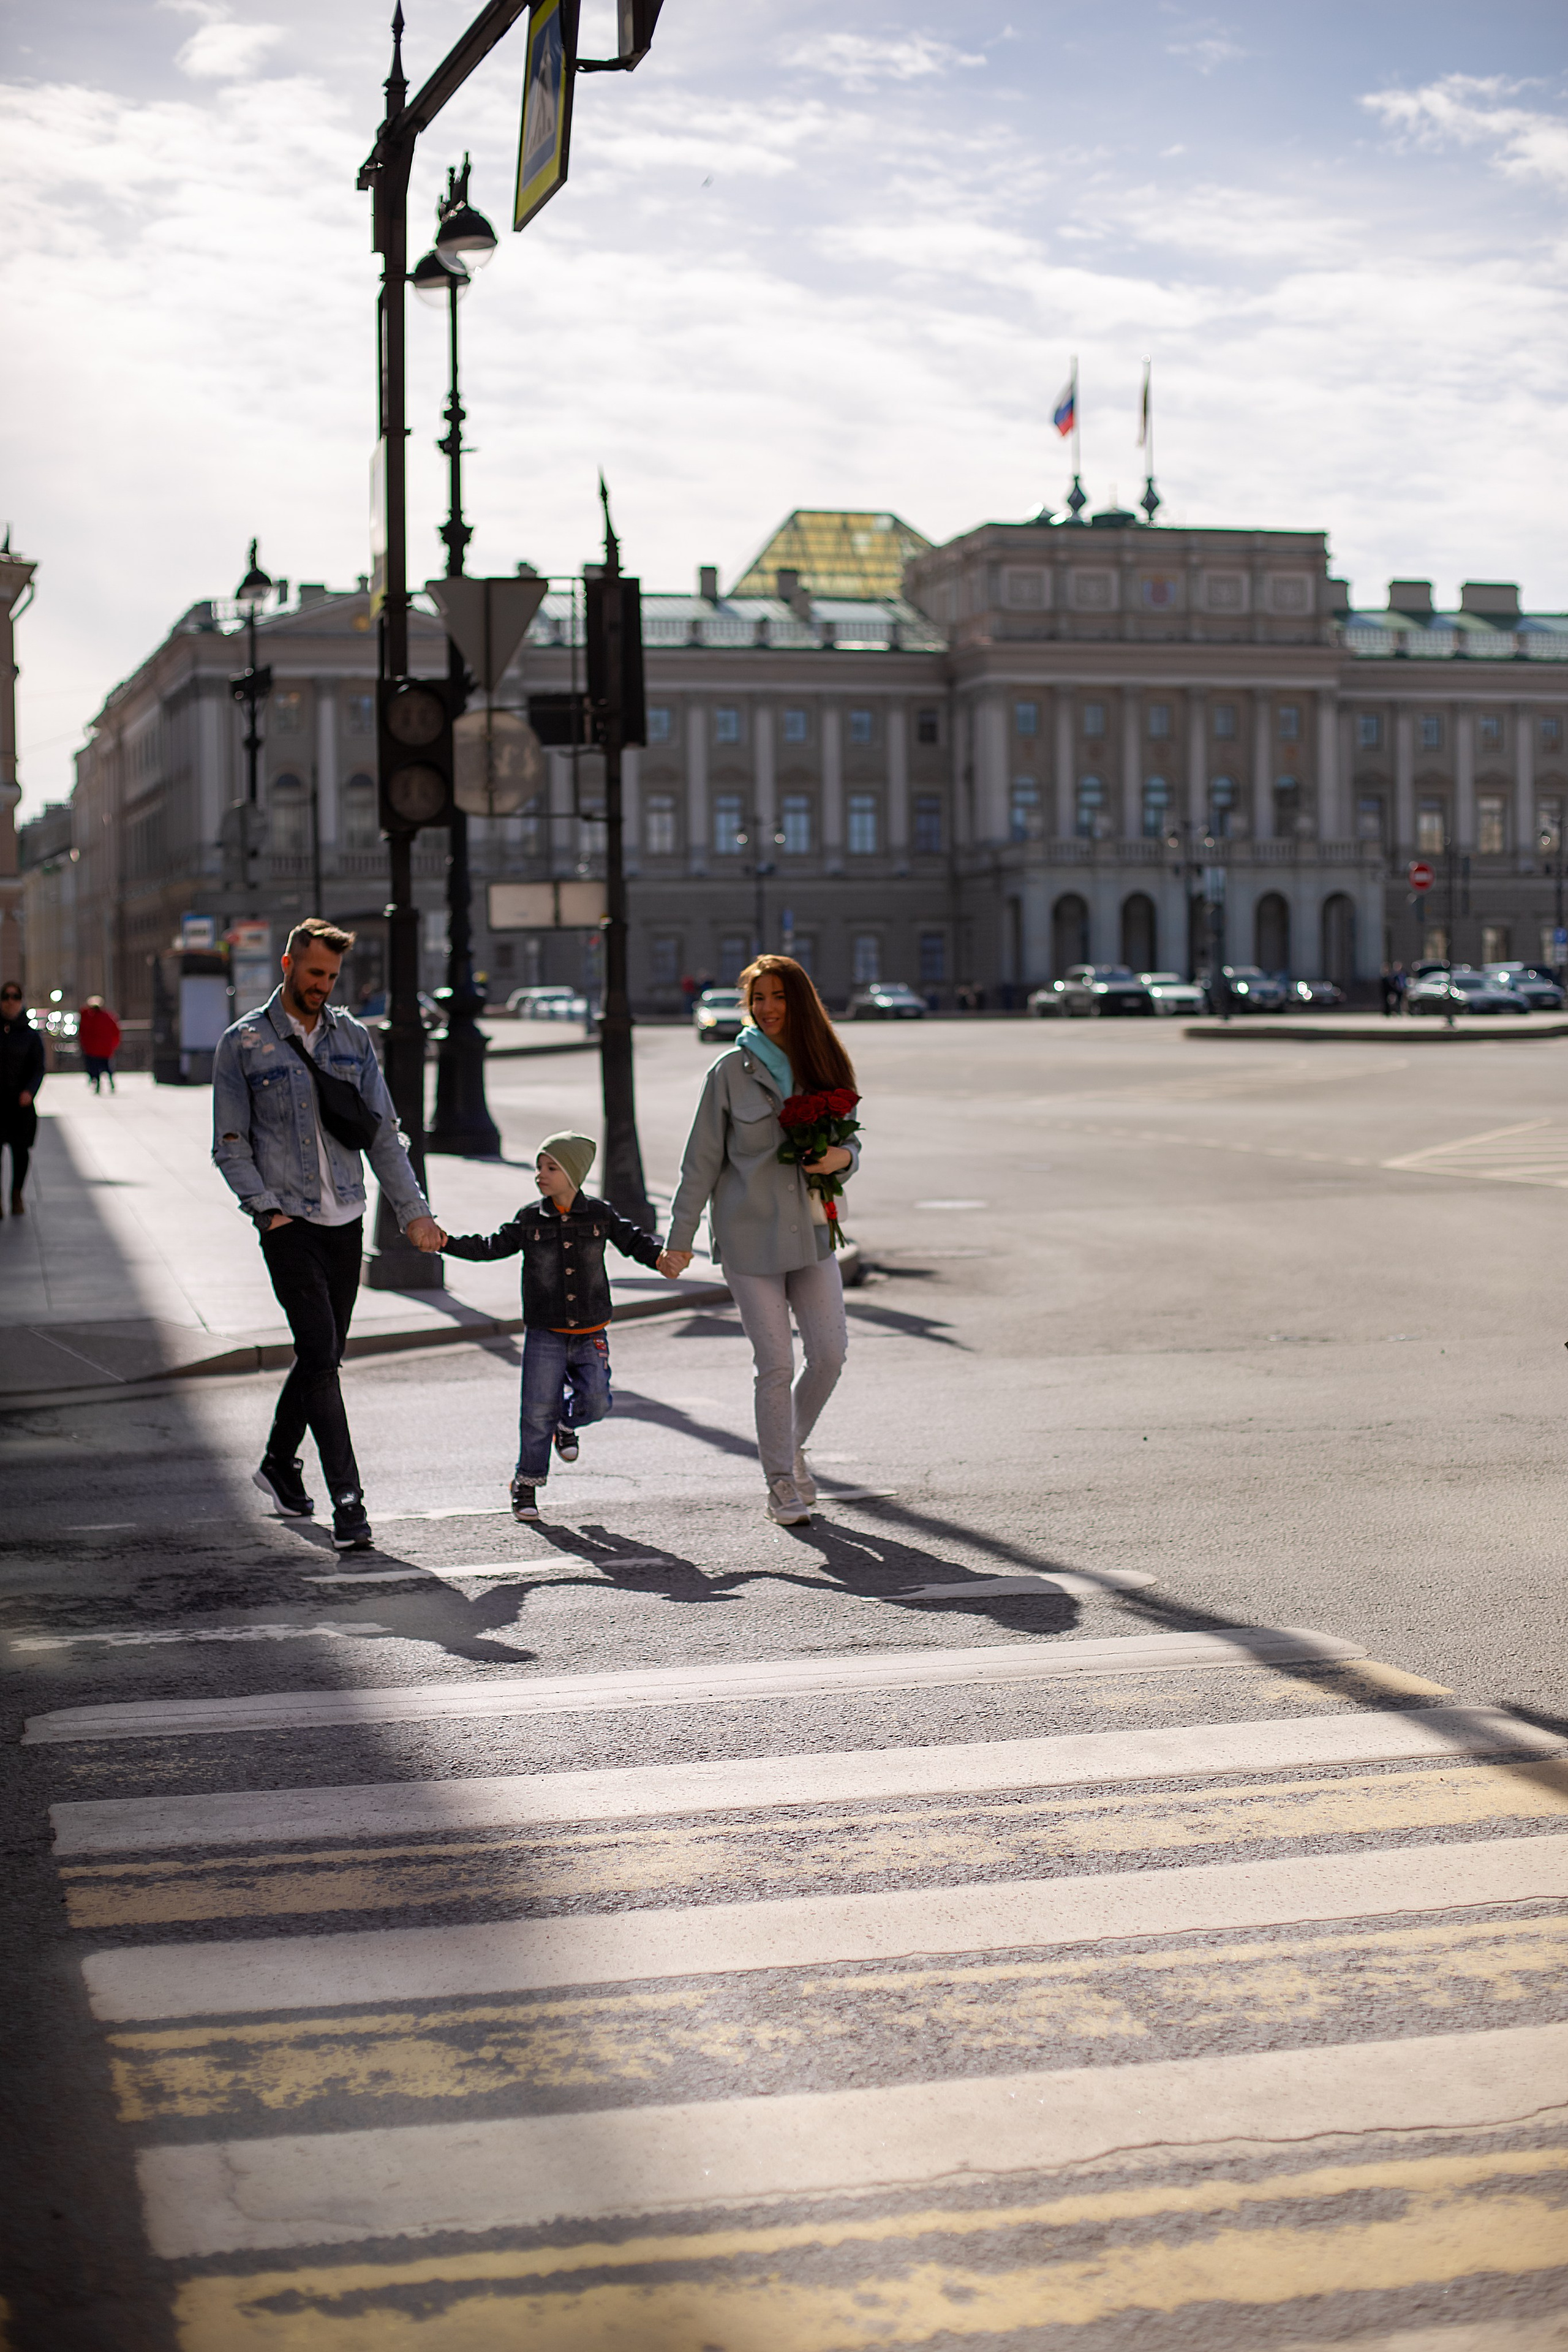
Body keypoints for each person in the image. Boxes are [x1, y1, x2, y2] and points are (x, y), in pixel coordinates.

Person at [211, 917, 443, 1549]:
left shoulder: (353, 1040)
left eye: (333, 977)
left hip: (346, 1219)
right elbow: (229, 1143)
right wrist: (265, 1210)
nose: (324, 986)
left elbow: (383, 1135)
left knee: (322, 1354)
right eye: (315, 973)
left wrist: (413, 1212)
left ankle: (278, 1463)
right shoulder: (244, 1043)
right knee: (320, 1351)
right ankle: (349, 1501)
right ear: (288, 965)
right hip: (288, 1222)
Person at [658, 954, 859, 1526]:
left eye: (778, 997)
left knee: (829, 1355)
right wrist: (680, 1238)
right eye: (758, 999)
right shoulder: (728, 1071)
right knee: (774, 1363)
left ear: (799, 1002)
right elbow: (698, 1163)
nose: (767, 1009)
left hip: (814, 1231)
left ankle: (789, 1445)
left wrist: (841, 1157)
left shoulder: (824, 1062)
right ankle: (780, 1483)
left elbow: (853, 1147)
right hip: (748, 1238)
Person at [432, 1133, 668, 1522]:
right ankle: (526, 1485)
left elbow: (635, 1241)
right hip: (546, 1332)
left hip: (591, 1331)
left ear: (573, 1173)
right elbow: (490, 1246)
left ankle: (567, 1421)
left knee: (597, 1401)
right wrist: (445, 1243)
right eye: (540, 1167)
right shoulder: (530, 1218)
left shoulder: (599, 1214)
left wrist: (661, 1259)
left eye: (551, 1168)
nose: (541, 1174)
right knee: (536, 1411)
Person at [0, 982, 44, 1217]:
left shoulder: (30, 1035)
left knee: (20, 1152)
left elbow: (39, 1068)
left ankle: (16, 1194)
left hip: (21, 1104)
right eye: (6, 996)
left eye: (15, 997)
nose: (10, 1001)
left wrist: (30, 1091)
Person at [78, 996, 122, 1091]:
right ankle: (110, 1082)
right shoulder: (107, 1017)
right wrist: (113, 1045)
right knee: (106, 1067)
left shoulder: (90, 1018)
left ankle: (99, 1084)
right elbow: (116, 1032)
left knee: (96, 1068)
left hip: (93, 1049)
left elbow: (83, 1030)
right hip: (104, 1049)